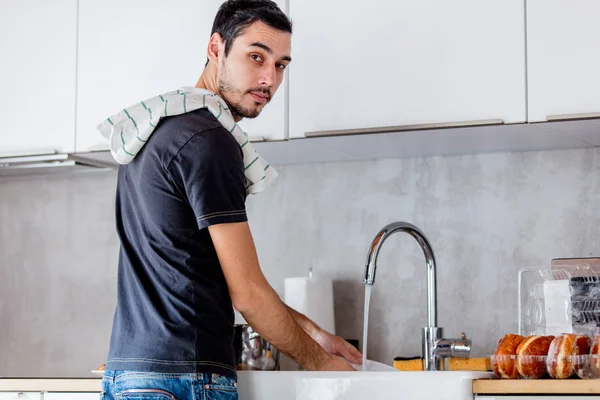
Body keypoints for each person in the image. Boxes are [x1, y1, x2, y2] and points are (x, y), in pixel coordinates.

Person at [100, 1, 362, 399]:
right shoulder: (210, 143)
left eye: (280, 65)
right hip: (186, 378)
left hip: (132, 375)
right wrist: (322, 364)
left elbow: (211, 276)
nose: (268, 79)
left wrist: (315, 334)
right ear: (216, 48)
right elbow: (248, 293)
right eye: (256, 57)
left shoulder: (154, 133)